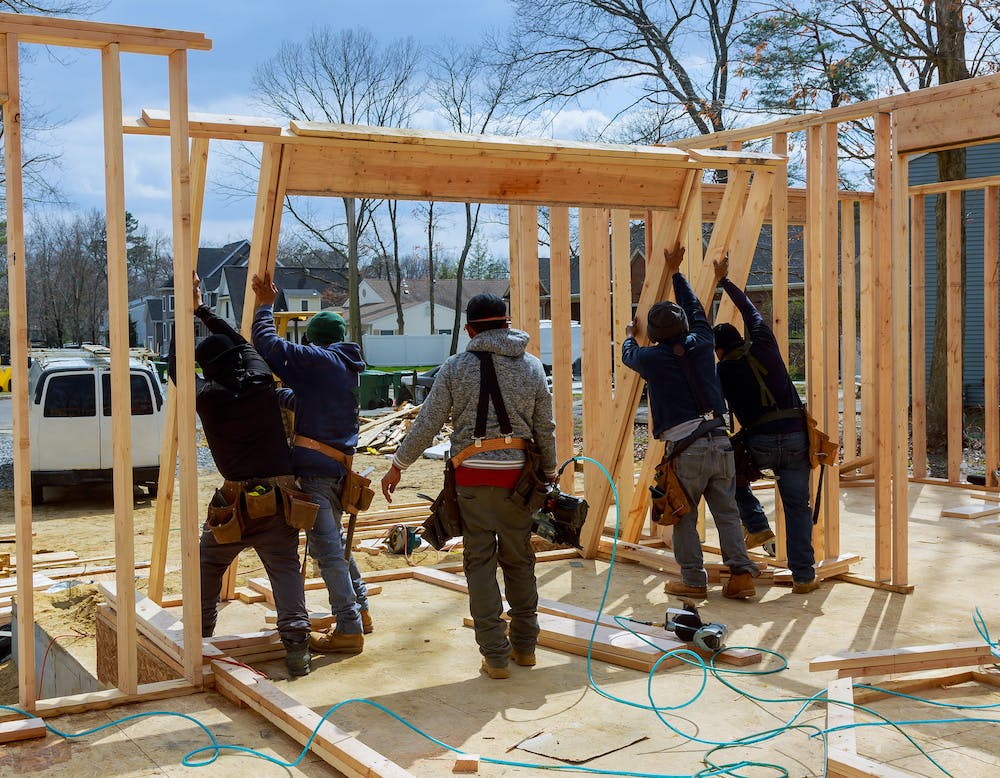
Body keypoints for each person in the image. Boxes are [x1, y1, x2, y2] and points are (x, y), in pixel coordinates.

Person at [380, 294, 557, 680]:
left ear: (469, 330)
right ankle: (525, 649)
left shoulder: (455, 368)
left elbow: (427, 423)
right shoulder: (531, 367)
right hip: (519, 481)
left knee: (480, 563)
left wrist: (398, 466)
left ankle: (495, 656)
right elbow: (545, 427)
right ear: (507, 325)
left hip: (472, 480)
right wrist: (551, 474)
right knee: (520, 559)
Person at [168, 273, 311, 677]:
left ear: (206, 369)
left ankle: (201, 638)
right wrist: (203, 311)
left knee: (207, 565)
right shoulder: (262, 382)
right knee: (283, 570)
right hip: (280, 500)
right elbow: (243, 344)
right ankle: (297, 648)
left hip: (234, 507)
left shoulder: (206, 398)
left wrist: (184, 308)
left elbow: (174, 363)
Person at [622, 245, 759, 601]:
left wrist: (627, 335)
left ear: (652, 333)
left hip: (687, 451)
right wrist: (676, 272)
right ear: (683, 325)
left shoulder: (650, 358)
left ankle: (694, 581)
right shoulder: (702, 343)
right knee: (727, 512)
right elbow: (698, 309)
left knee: (682, 515)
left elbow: (629, 355)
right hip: (720, 441)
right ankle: (741, 576)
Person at [250, 273, 372, 655]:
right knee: (335, 545)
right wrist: (278, 396)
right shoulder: (343, 369)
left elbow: (267, 344)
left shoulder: (320, 360)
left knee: (327, 551)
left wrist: (264, 305)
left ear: (315, 342)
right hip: (336, 468)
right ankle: (361, 610)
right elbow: (309, 403)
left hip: (317, 473)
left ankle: (349, 629)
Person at [712, 256, 819, 594]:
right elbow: (750, 312)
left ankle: (758, 528)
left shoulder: (723, 371)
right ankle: (804, 577)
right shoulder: (763, 341)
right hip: (794, 439)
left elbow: (721, 411)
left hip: (758, 442)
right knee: (797, 507)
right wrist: (724, 282)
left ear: (718, 350)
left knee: (727, 478)